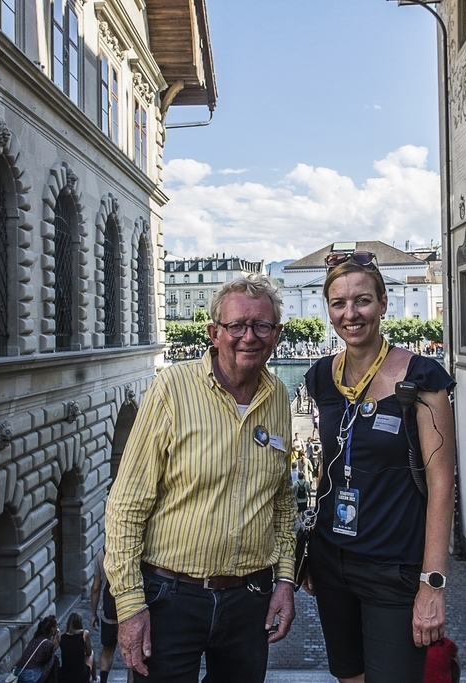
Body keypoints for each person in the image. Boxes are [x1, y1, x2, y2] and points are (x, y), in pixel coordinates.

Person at [105, 274, 296, 682]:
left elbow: (282, 502)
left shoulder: (279, 396)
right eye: (236, 326)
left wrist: (284, 580)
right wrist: (129, 605)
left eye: (262, 325)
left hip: (250, 599)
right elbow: (127, 503)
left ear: (276, 334)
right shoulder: (171, 389)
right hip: (170, 598)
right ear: (214, 333)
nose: (250, 336)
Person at [304, 250, 456, 683]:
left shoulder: (422, 379)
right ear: (328, 309)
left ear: (384, 303)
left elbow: (442, 484)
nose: (351, 314)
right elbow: (329, 463)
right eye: (339, 303)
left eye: (362, 301)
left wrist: (433, 584)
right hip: (331, 561)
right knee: (349, 676)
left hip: (394, 567)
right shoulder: (321, 377)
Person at [88, 549, 117, 683]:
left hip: (108, 611)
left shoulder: (102, 553)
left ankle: (104, 681)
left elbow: (95, 587)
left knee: (107, 649)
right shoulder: (134, 545)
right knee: (132, 654)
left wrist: (93, 614)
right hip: (130, 611)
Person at [12, 616, 60, 683]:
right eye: (57, 626)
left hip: (18, 672)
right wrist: (57, 640)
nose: (58, 628)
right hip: (29, 676)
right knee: (54, 659)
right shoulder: (47, 644)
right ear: (52, 629)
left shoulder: (36, 638)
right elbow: (48, 657)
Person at [57, 613, 94, 683]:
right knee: (92, 653)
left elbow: (52, 649)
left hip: (64, 677)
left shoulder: (61, 637)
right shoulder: (84, 634)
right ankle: (95, 678)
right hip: (81, 676)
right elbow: (88, 653)